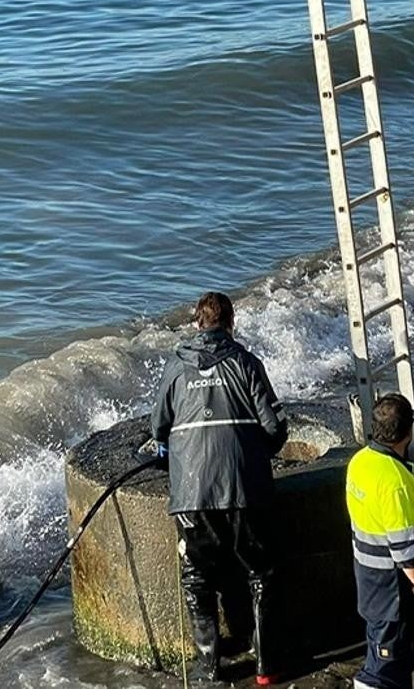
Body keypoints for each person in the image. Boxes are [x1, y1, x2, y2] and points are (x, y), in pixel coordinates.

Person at [151, 291, 288, 685]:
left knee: (197, 577)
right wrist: (256, 453)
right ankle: (265, 666)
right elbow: (275, 428)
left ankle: (209, 668)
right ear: (231, 323)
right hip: (246, 489)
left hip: (193, 495)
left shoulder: (175, 367)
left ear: (197, 323)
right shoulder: (245, 362)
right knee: (261, 573)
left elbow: (158, 427)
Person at [346, 393, 414, 689]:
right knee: (386, 667)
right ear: (408, 431)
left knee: (384, 653)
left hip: (368, 580)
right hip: (393, 590)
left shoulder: (360, 462)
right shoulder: (396, 483)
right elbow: (406, 555)